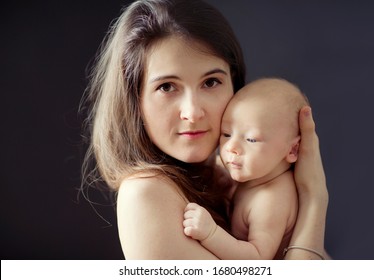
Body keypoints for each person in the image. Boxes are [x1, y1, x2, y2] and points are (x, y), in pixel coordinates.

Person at [81, 0, 329, 260]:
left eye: (211, 82)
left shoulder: (235, 177)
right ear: (134, 100)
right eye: (167, 87)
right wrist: (313, 198)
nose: (193, 112)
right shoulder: (145, 195)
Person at [183, 78, 310, 259]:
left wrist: (211, 234)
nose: (231, 147)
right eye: (226, 134)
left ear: (293, 149)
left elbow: (256, 259)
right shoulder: (259, 175)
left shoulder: (271, 199)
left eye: (251, 139)